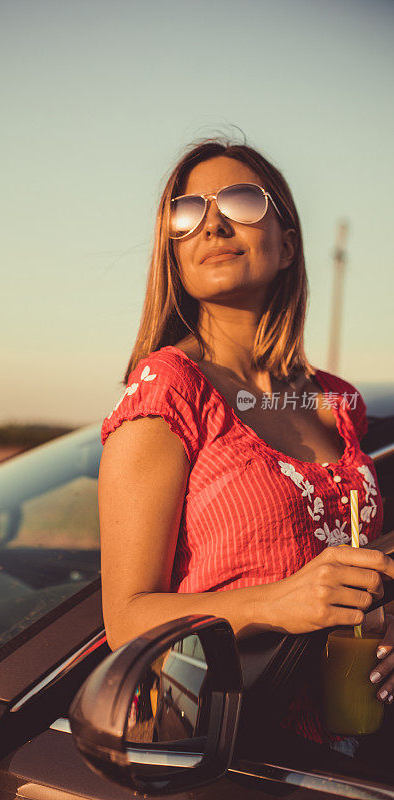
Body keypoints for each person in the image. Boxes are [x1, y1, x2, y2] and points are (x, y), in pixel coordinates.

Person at [98, 138, 394, 758]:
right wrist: (277, 603)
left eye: (241, 200)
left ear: (287, 245)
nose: (214, 221)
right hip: (240, 750)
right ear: (174, 255)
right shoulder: (168, 390)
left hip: (357, 739)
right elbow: (125, 619)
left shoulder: (335, 402)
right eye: (188, 211)